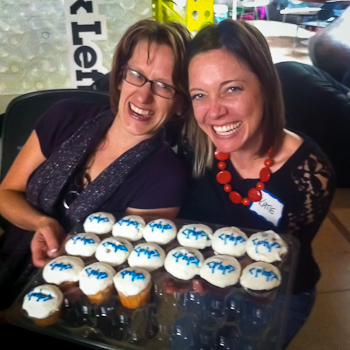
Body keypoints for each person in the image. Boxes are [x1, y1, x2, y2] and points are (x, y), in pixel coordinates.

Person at [0, 19, 191, 308]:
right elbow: (5, 194)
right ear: (119, 77)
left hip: (69, 303)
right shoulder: (64, 116)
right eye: (136, 74)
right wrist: (42, 222)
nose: (143, 95)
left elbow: (124, 273)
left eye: (164, 86)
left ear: (180, 104)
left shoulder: (166, 176)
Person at [178, 19, 336, 347]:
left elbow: (285, 260)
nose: (214, 112)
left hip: (276, 294)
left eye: (232, 88)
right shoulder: (196, 144)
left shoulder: (308, 175)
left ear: (264, 84)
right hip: (207, 283)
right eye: (199, 95)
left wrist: (224, 278)